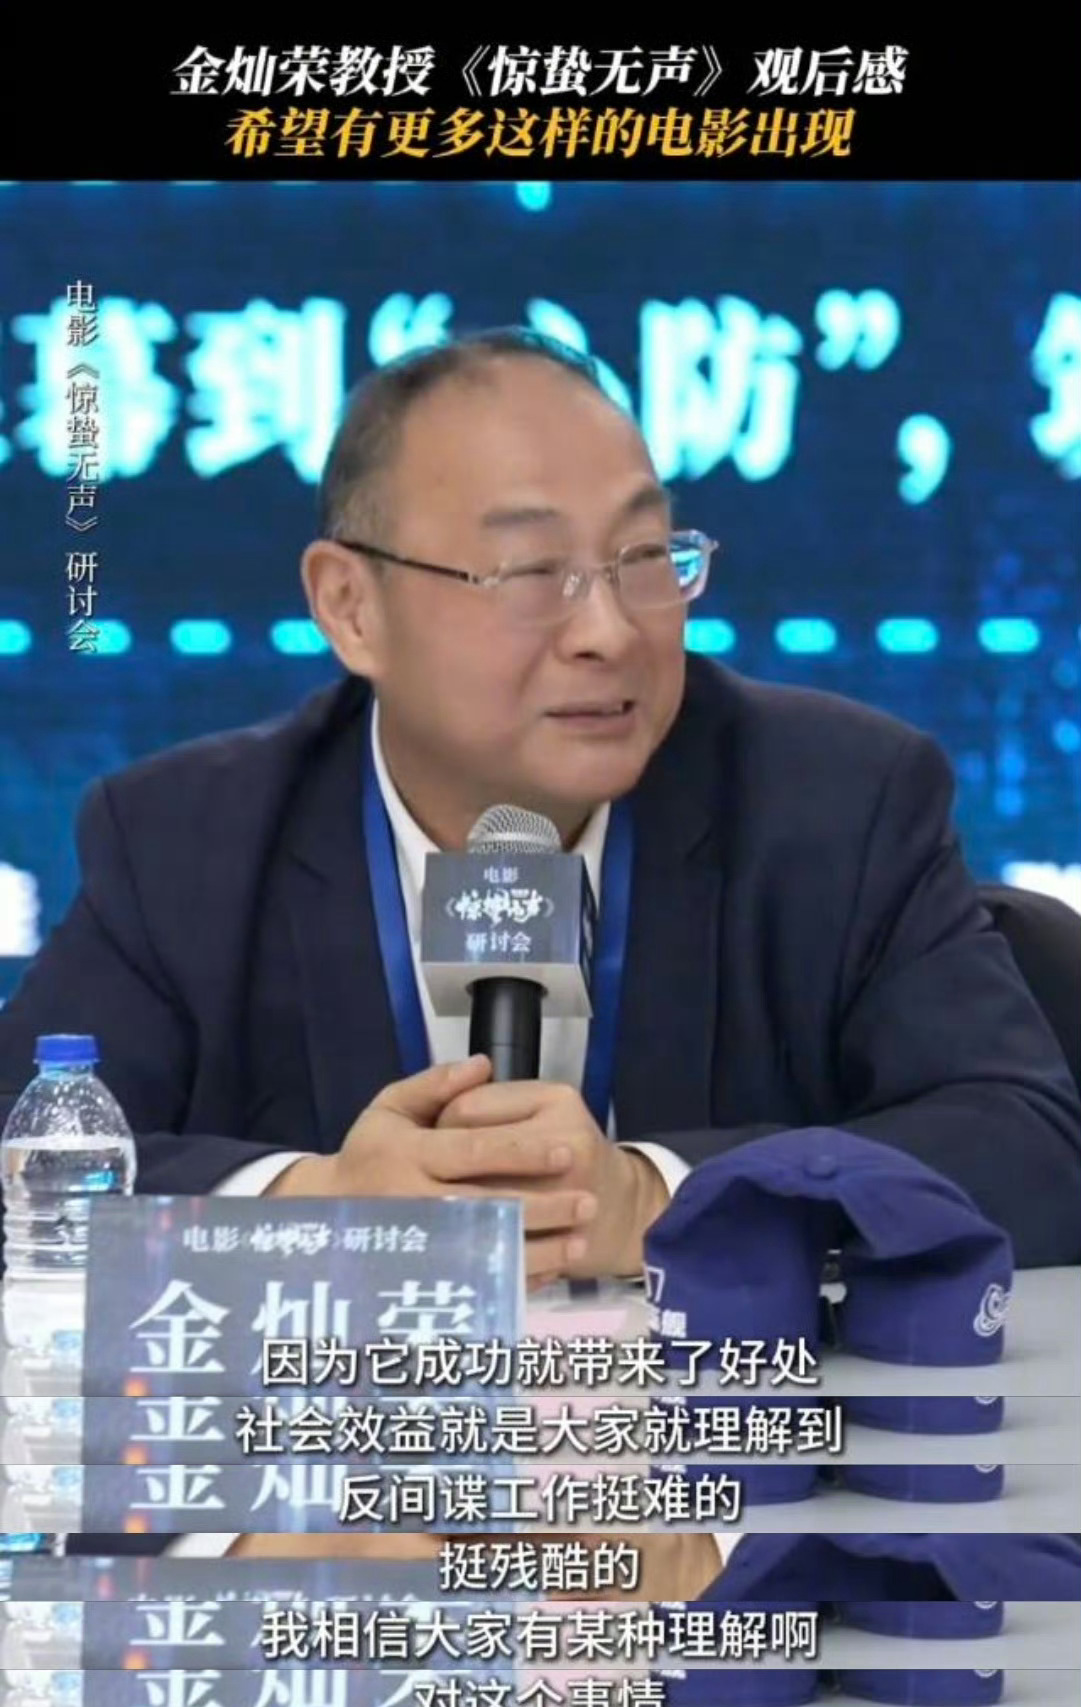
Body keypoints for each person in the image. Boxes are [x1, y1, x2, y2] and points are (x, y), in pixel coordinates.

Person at [0, 325, 1078, 1288]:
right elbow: (28, 1151)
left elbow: (1028, 1145)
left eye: (644, 557)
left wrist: (657, 1200)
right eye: (528, 571)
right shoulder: (185, 842)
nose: (608, 630)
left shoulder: (839, 803)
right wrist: (314, 1207)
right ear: (350, 605)